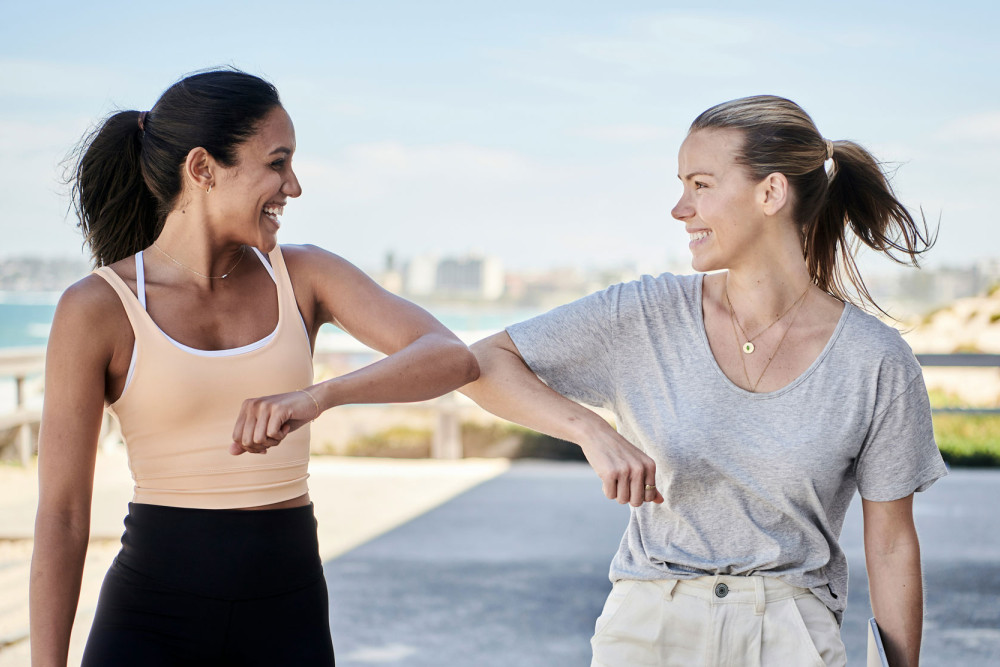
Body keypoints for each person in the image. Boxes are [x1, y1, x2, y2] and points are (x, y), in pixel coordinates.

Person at [461, 95, 946, 667]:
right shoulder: (643, 314)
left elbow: (890, 545)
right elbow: (482, 363)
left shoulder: (875, 360)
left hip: (792, 637)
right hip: (648, 628)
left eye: (700, 185)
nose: (679, 209)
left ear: (770, 192)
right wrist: (591, 431)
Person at [29, 68, 479, 666]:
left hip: (286, 614)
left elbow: (450, 357)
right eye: (277, 163)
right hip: (150, 619)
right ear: (202, 168)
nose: (293, 187)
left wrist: (318, 397)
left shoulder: (306, 275)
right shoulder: (97, 307)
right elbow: (61, 516)